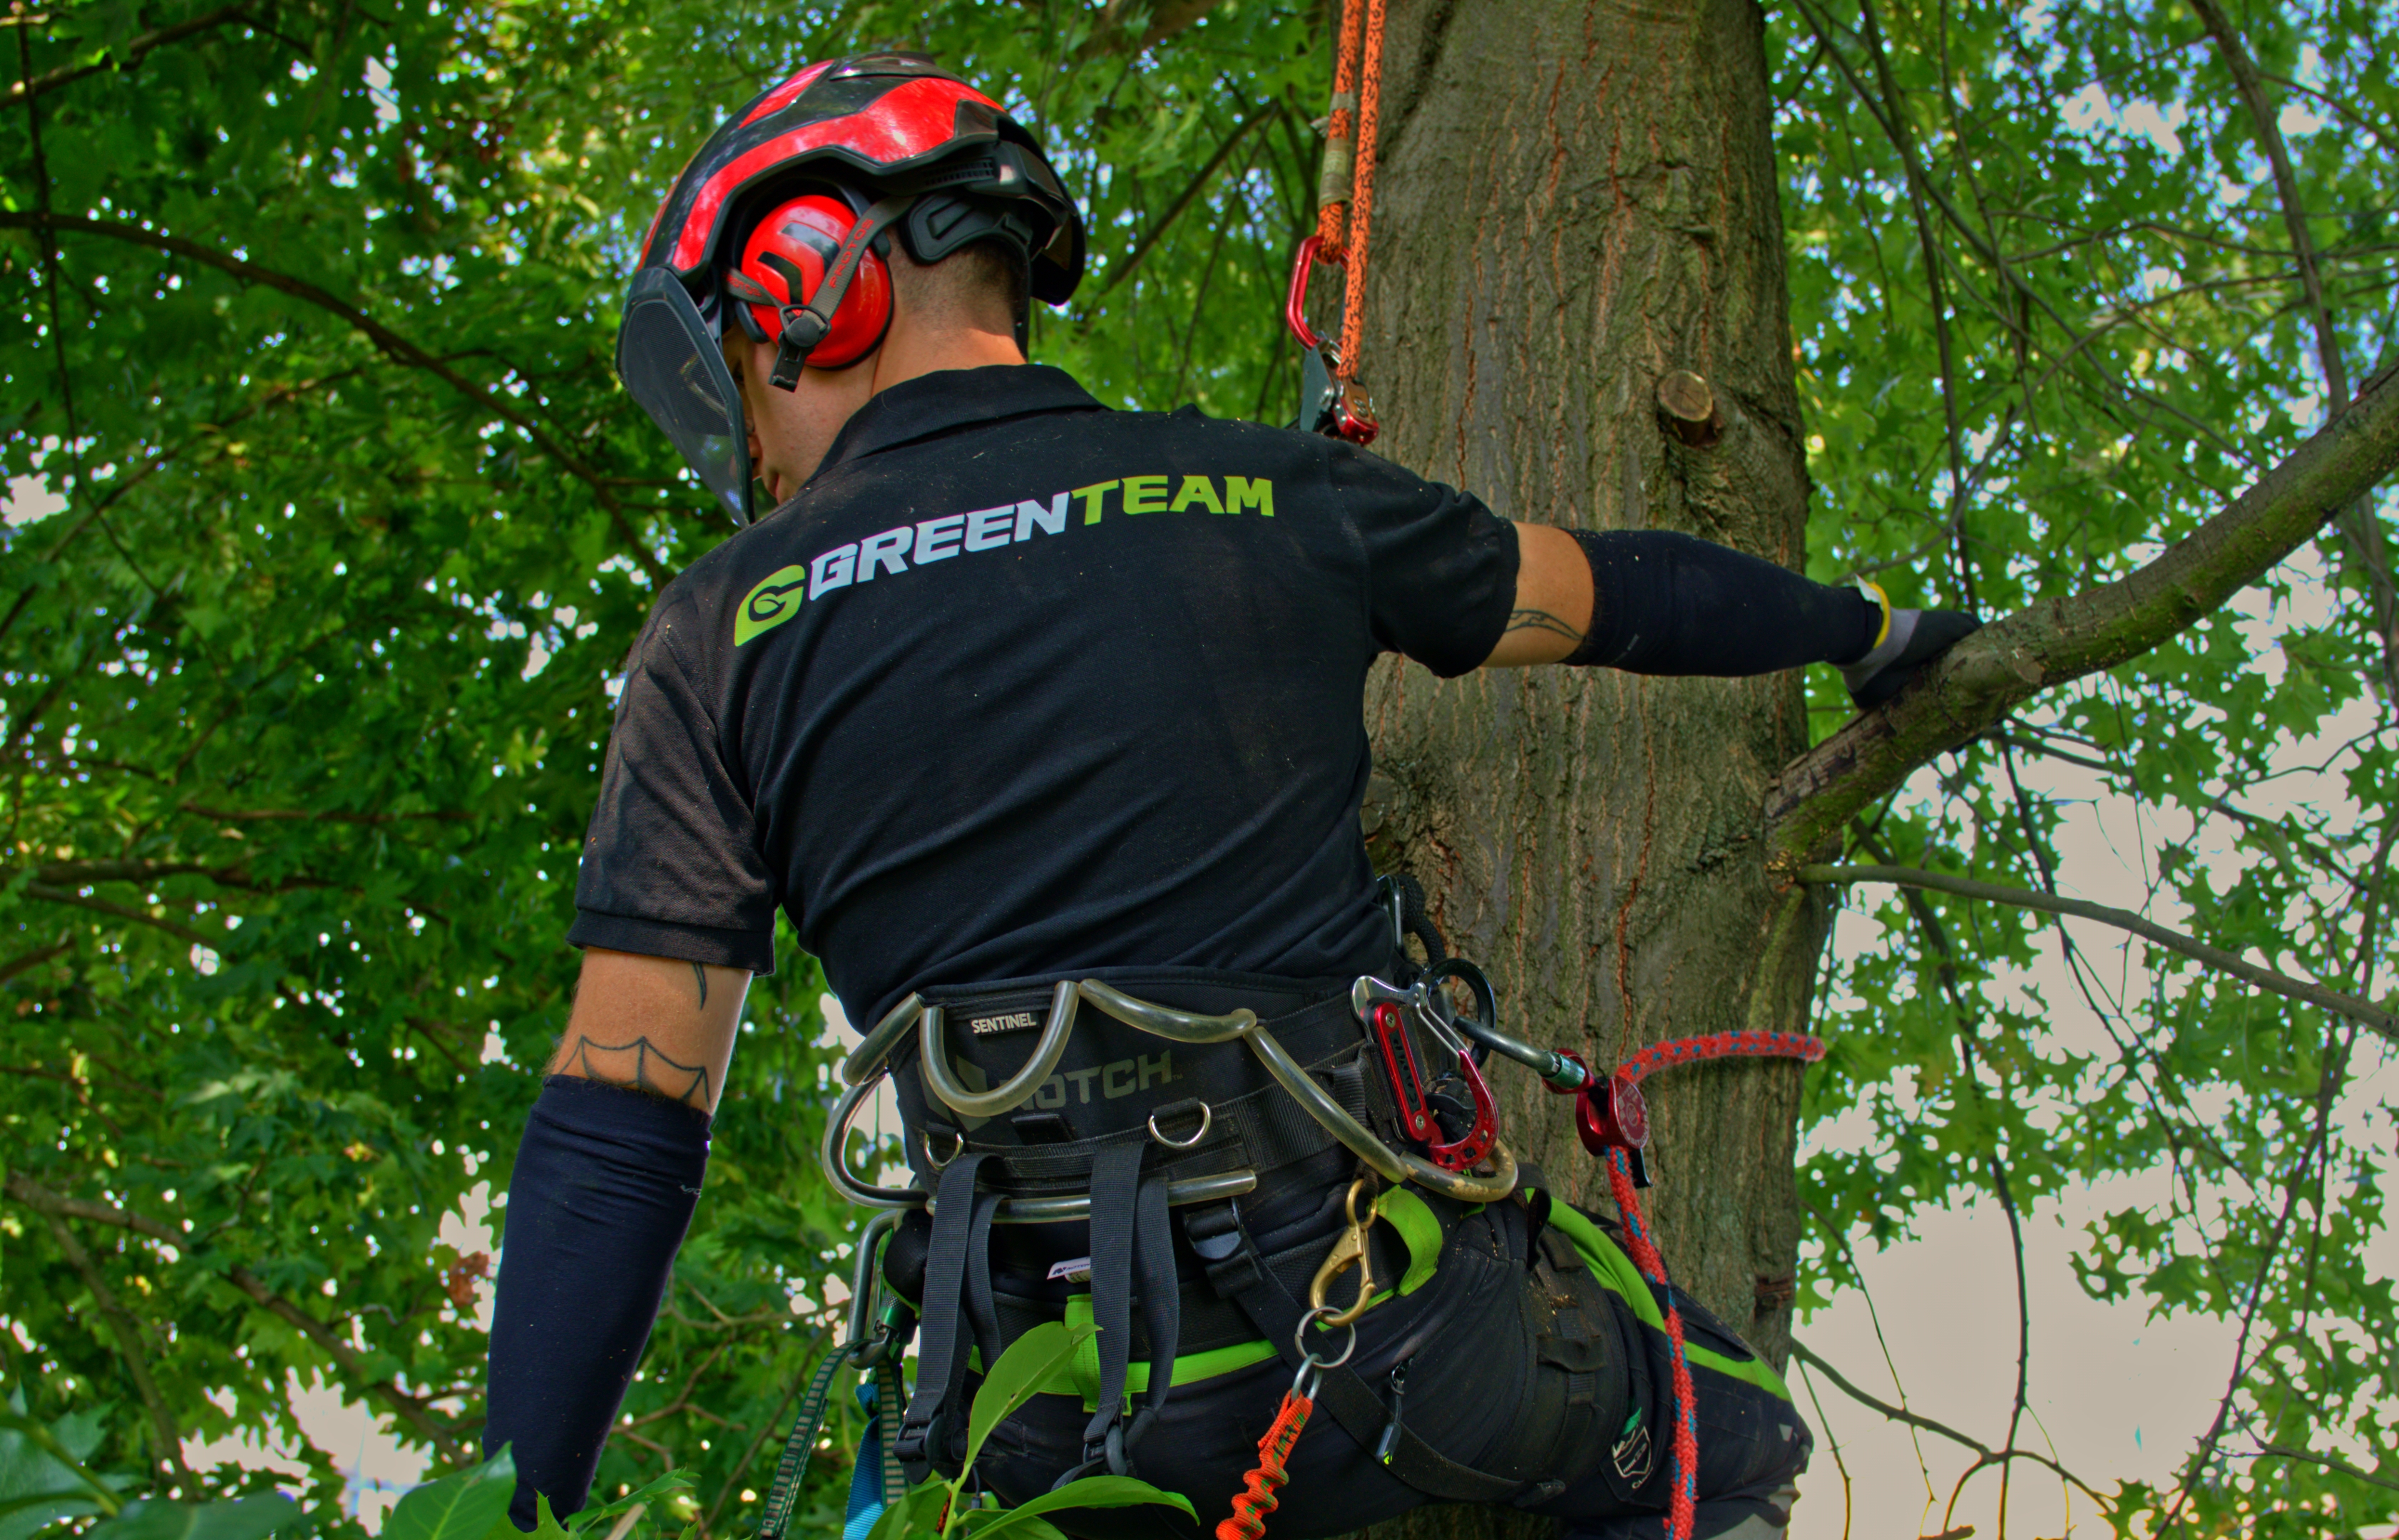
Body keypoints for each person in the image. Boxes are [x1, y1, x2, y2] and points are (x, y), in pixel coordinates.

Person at [484, 52, 1979, 1540]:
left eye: (740, 372)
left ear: (805, 281)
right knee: (1733, 1435)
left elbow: (621, 1122)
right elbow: (1624, 591)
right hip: (1390, 1346)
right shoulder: (1267, 495)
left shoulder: (714, 629)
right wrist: (1880, 636)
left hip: (1038, 1424)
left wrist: (513, 1512)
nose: (749, 439)